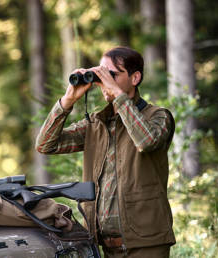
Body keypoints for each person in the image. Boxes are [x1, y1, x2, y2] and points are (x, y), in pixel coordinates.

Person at [35, 46, 176, 257]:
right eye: (102, 74)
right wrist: (68, 101)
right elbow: (46, 144)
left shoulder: (157, 117)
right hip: (103, 246)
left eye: (113, 75)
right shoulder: (96, 123)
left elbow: (146, 140)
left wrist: (118, 95)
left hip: (146, 243)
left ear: (135, 77)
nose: (105, 82)